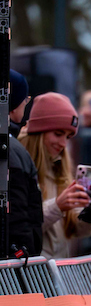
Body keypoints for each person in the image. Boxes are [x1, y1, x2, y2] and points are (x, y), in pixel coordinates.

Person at [19, 93, 91, 258]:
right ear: (39, 131)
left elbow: (72, 228)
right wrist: (57, 206)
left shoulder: (58, 168)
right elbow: (17, 228)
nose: (63, 143)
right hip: (27, 270)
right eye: (58, 133)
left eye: (68, 137)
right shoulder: (16, 166)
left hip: (55, 270)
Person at [7, 70, 44, 258]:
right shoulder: (13, 151)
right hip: (13, 264)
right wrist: (24, 254)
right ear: (14, 105)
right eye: (25, 100)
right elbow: (17, 214)